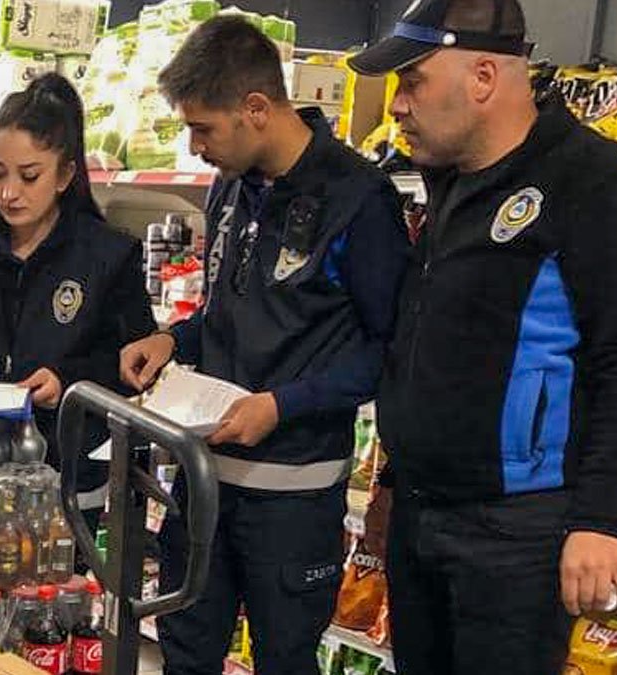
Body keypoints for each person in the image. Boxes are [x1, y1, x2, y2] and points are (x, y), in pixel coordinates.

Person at [350, 0, 617, 672]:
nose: (395, 104)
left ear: (483, 77)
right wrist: (393, 484)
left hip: (519, 533)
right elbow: (428, 347)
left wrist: (599, 519)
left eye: (412, 80)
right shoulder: (448, 180)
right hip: (421, 519)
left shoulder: (594, 180)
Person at [119, 16, 410, 675]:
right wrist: (171, 338)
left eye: (203, 128)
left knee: (283, 659)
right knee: (186, 654)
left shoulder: (359, 202)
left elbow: (388, 348)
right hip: (202, 483)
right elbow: (233, 314)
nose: (195, 147)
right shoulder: (231, 186)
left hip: (293, 498)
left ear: (255, 108)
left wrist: (284, 404)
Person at [0, 73, 156, 523]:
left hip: (69, 469)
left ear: (65, 174)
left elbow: (134, 362)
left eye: (30, 176)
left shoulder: (108, 255)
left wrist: (67, 380)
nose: (10, 193)